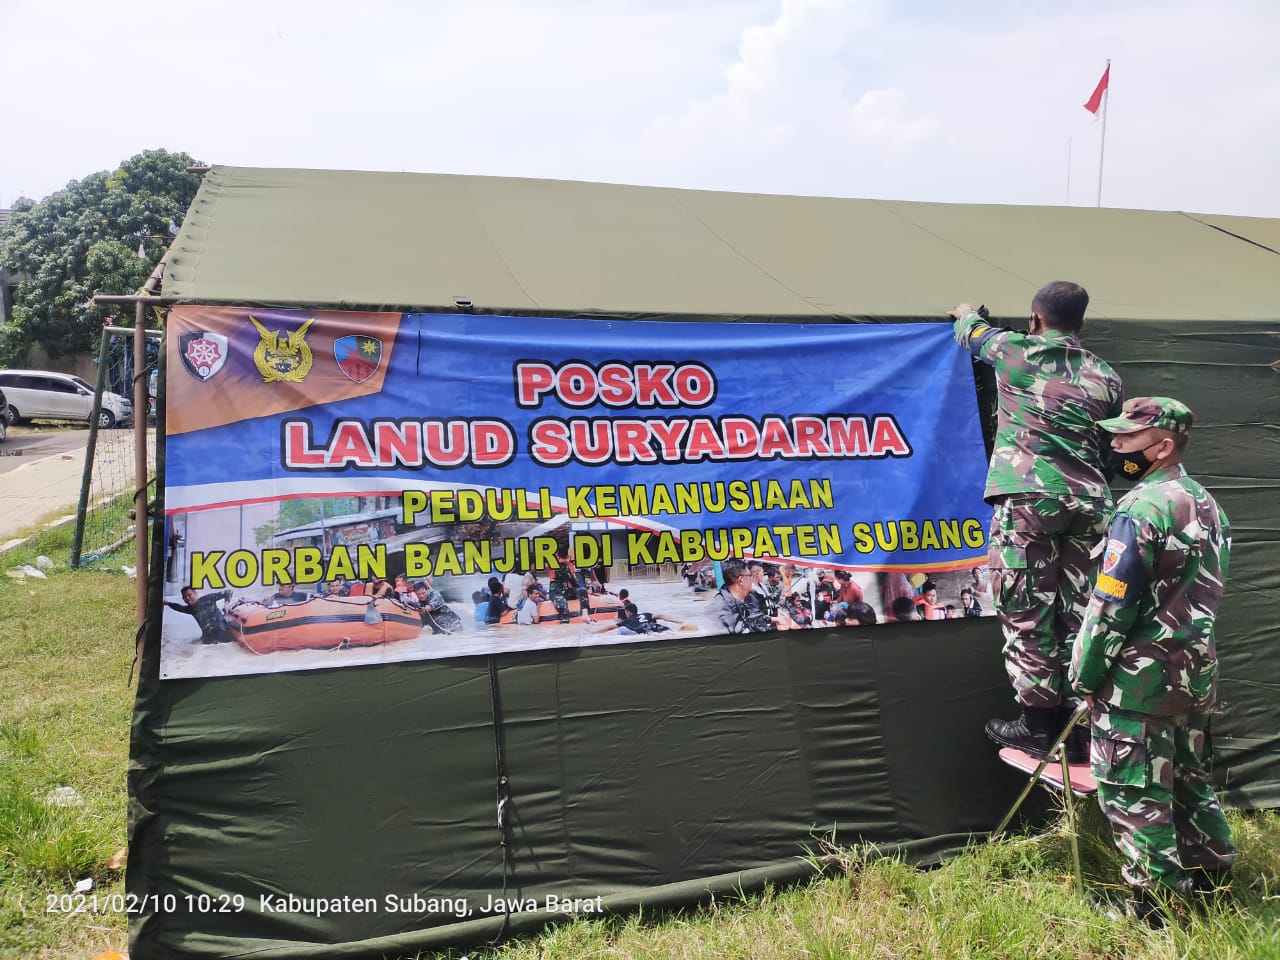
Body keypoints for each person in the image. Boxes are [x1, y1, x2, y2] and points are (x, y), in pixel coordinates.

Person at [1069, 397, 1234, 924]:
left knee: (1134, 792)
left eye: (1126, 440)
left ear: (1162, 447)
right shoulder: (1207, 503)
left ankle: (1155, 908)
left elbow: (1112, 605)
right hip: (1193, 675)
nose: (1114, 447)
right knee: (1189, 780)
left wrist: (1085, 674)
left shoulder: (1140, 508)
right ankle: (1213, 882)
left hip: (1138, 683)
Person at [951, 282, 1124, 761]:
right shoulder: (1105, 376)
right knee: (1079, 612)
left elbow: (971, 331)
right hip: (1090, 504)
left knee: (1026, 608)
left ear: (1034, 320)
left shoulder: (1016, 350)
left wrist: (965, 310)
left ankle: (1037, 726)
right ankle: (1079, 727)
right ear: (1081, 325)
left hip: (1029, 499)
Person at [708, 558, 773, 633]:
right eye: (750, 576)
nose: (752, 579)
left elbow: (756, 619)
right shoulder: (718, 608)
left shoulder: (751, 598)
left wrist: (773, 620)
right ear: (741, 580)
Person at [165, 586, 235, 644]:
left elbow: (228, 592)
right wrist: (167, 603)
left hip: (223, 631)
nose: (187, 598)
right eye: (184, 597)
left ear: (195, 593)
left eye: (189, 595)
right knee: (191, 647)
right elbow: (178, 607)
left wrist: (226, 604)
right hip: (208, 638)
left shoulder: (208, 599)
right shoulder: (190, 609)